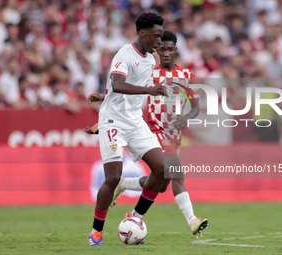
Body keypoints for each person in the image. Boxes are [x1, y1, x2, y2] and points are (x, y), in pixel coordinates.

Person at [85, 31, 208, 238]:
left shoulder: (187, 75)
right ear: (157, 50)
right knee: (175, 172)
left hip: (173, 134)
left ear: (176, 50)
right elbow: (126, 88)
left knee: (162, 184)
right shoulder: (152, 70)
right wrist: (105, 101)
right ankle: (192, 221)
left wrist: (187, 118)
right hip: (152, 129)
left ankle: (124, 185)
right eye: (162, 49)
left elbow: (195, 107)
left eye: (169, 49)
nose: (166, 53)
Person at [87, 12, 167, 246]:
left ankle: (135, 217)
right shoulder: (124, 54)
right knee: (111, 177)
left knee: (163, 170)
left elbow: (124, 88)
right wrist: (149, 91)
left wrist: (105, 96)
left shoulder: (151, 59)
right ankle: (96, 233)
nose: (160, 41)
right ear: (143, 33)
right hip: (113, 121)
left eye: (161, 36)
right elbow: (119, 84)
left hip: (134, 121)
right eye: (156, 35)